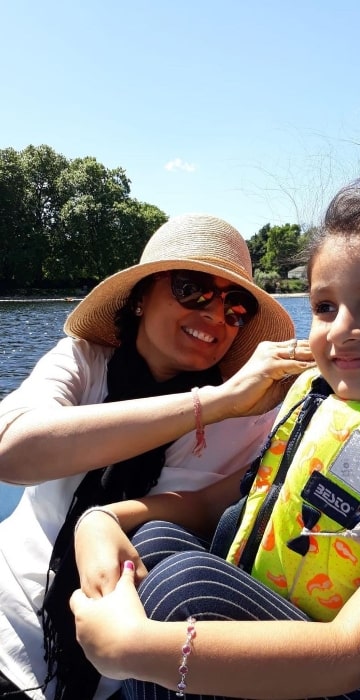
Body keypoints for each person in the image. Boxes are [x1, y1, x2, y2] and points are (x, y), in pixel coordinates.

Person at [70, 187, 360, 700]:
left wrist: (130, 648)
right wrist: (103, 518)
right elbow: (216, 501)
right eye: (324, 306)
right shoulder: (322, 404)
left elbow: (352, 653)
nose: (341, 330)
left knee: (184, 588)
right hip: (321, 648)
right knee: (155, 542)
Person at [0, 212, 316, 700]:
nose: (215, 315)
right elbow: (13, 453)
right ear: (142, 297)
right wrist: (213, 403)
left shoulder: (254, 417)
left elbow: (219, 509)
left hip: (126, 674)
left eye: (236, 308)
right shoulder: (84, 361)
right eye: (193, 289)